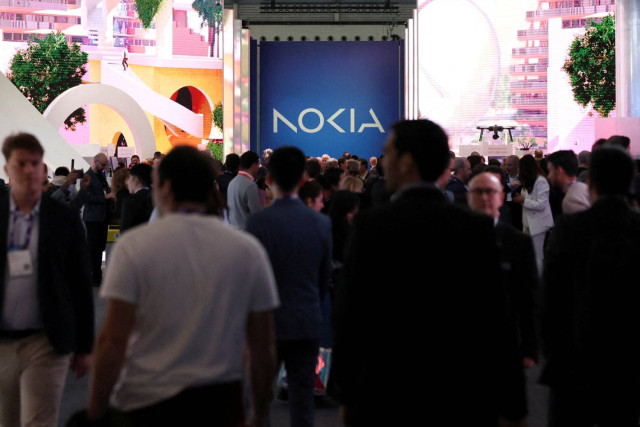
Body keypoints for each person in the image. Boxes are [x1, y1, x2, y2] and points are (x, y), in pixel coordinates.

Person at [332, 120, 527, 427]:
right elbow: (496, 317)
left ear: (407, 162)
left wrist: (345, 394)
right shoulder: (474, 227)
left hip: (386, 393)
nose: (385, 162)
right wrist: (514, 405)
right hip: (462, 393)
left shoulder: (372, 226)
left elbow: (352, 314)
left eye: (389, 154)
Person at [85, 145, 279, 426]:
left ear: (164, 188)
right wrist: (260, 413)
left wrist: (95, 409)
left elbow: (112, 340)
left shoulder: (133, 247)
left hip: (145, 400)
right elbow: (262, 344)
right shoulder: (246, 251)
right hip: (220, 401)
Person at [540, 145, 640, 426]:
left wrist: (552, 352)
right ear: (630, 181)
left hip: (573, 360)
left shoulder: (569, 229)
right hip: (627, 363)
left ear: (591, 182)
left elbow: (551, 299)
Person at [0, 133, 93, 426]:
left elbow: (81, 284)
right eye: (21, 163)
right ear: (7, 170)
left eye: (35, 163)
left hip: (47, 340)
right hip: (1, 342)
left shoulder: (64, 219)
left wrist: (85, 346)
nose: (29, 170)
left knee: (39, 421)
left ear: (44, 169)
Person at [246, 146, 332, 427]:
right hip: (306, 318)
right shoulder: (320, 223)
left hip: (266, 323)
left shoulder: (258, 223)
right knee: (302, 400)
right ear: (303, 179)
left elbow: (252, 279)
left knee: (260, 402)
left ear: (269, 177)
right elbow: (322, 278)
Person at [467, 172, 539, 368]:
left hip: (507, 337)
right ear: (469, 197)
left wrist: (529, 348)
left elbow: (528, 296)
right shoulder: (454, 236)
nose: (484, 197)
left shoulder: (519, 242)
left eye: (490, 191)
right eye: (477, 191)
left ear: (500, 197)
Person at [75, 152, 113, 286]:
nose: (104, 167)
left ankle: (97, 275)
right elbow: (86, 198)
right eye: (102, 164)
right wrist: (105, 197)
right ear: (95, 162)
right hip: (92, 218)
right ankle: (94, 276)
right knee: (93, 248)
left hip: (102, 217)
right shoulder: (87, 176)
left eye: (105, 164)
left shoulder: (101, 175)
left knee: (100, 247)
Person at [512, 154, 554, 274]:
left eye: (520, 168)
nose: (518, 171)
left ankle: (540, 284)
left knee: (537, 256)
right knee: (528, 256)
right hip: (527, 223)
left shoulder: (541, 181)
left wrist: (523, 200)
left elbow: (541, 205)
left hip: (538, 224)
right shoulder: (527, 182)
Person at [546, 150, 590, 215]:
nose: (548, 176)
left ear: (559, 171)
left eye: (550, 171)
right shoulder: (584, 188)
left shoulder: (570, 201)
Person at [227, 151, 264, 229]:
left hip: (234, 229)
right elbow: (257, 214)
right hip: (247, 231)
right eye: (258, 165)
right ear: (254, 165)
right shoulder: (250, 185)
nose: (259, 168)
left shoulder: (232, 182)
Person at [120, 163, 153, 233]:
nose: (127, 182)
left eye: (129, 178)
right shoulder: (157, 199)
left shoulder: (130, 202)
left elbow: (125, 233)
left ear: (136, 181)